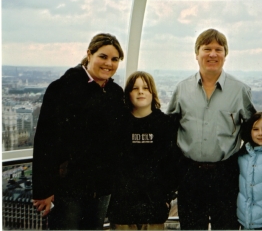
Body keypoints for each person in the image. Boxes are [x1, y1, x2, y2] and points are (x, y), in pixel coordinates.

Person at [32, 33, 125, 230]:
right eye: (103, 56)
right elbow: (44, 141)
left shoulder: (116, 94)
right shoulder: (62, 89)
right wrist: (44, 190)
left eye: (115, 59)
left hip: (101, 188)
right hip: (68, 188)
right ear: (89, 54)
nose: (109, 63)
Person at [167, 28, 256, 230]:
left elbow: (253, 132)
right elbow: (170, 129)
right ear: (196, 54)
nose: (213, 54)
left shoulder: (240, 90)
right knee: (191, 226)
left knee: (226, 226)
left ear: (226, 54)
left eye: (218, 49)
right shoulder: (182, 89)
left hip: (226, 174)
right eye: (207, 49)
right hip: (190, 174)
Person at [108, 71, 179, 230]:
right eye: (135, 88)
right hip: (123, 209)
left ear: (152, 92)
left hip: (154, 208)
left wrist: (167, 197)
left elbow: (172, 165)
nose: (140, 91)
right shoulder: (118, 125)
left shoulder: (165, 125)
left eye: (146, 88)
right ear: (128, 94)